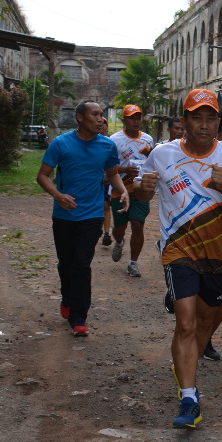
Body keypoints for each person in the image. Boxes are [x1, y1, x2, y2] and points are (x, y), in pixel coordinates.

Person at [137, 89, 222, 429]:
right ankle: (189, 397)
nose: (204, 125)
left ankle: (184, 366)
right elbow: (141, 193)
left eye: (210, 118)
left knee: (204, 322)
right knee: (186, 323)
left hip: (219, 254)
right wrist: (143, 188)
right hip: (179, 250)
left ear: (217, 122)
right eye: (196, 118)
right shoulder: (162, 155)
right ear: (184, 121)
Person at [37, 101, 129, 337]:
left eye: (101, 115)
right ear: (80, 117)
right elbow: (43, 176)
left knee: (81, 264)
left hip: (92, 214)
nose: (100, 119)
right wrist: (58, 195)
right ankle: (67, 297)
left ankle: (79, 318)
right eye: (94, 114)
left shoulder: (107, 146)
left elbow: (112, 174)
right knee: (66, 264)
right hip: (64, 215)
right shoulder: (61, 143)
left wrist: (123, 191)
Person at [109, 104, 156, 278]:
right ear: (124, 120)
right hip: (120, 190)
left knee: (138, 224)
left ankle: (133, 263)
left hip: (140, 190)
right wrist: (125, 170)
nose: (136, 121)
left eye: (138, 118)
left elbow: (152, 161)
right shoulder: (114, 140)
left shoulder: (148, 139)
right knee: (119, 227)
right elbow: (108, 167)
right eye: (132, 118)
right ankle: (119, 241)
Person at [100, 113, 114, 247]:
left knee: (105, 205)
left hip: (106, 180)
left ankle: (106, 233)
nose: (102, 126)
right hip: (93, 181)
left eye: (104, 124)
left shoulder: (109, 144)